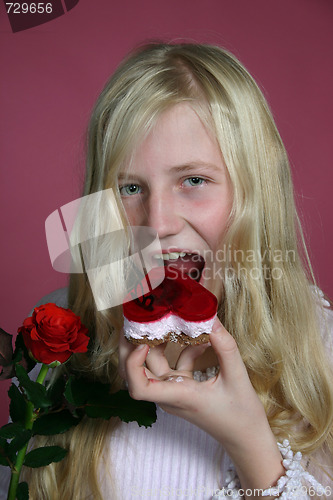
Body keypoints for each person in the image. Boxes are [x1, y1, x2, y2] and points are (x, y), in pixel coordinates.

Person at [2, 42, 333, 499]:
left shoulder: (317, 344)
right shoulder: (58, 335)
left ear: (252, 195)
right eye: (131, 187)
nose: (157, 224)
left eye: (194, 180)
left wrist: (246, 438)